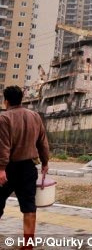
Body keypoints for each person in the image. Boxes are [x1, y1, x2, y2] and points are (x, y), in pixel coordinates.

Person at [0, 86, 49, 250]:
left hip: (9, 168)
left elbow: (3, 146)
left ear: (6, 101)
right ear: (21, 99)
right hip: (29, 167)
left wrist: (1, 169)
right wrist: (45, 162)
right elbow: (43, 142)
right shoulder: (35, 116)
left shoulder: (4, 118)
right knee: (29, 206)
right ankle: (28, 244)